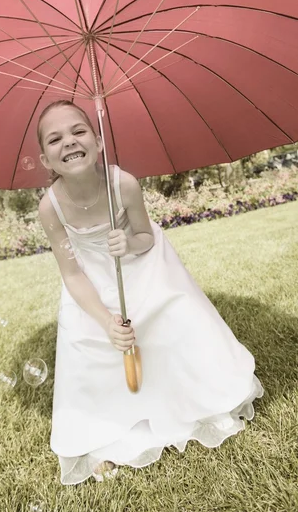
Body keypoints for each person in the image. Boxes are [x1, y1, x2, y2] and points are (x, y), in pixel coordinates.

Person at [37, 99, 264, 485]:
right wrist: (107, 322)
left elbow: (144, 236)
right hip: (93, 287)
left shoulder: (122, 183)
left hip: (141, 265)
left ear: (97, 139)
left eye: (78, 131)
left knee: (169, 318)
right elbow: (72, 275)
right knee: (98, 341)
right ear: (44, 159)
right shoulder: (50, 207)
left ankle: (196, 399)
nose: (69, 142)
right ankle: (111, 427)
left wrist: (127, 241)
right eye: (55, 139)